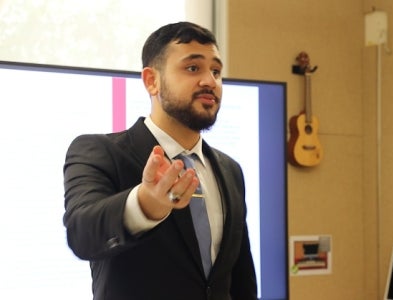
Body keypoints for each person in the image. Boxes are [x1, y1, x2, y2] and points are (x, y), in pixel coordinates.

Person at [63, 21, 257, 300]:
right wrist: (144, 205)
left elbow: (240, 279)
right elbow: (82, 235)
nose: (210, 81)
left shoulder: (230, 170)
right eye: (193, 68)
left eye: (216, 71)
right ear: (151, 80)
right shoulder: (99, 151)